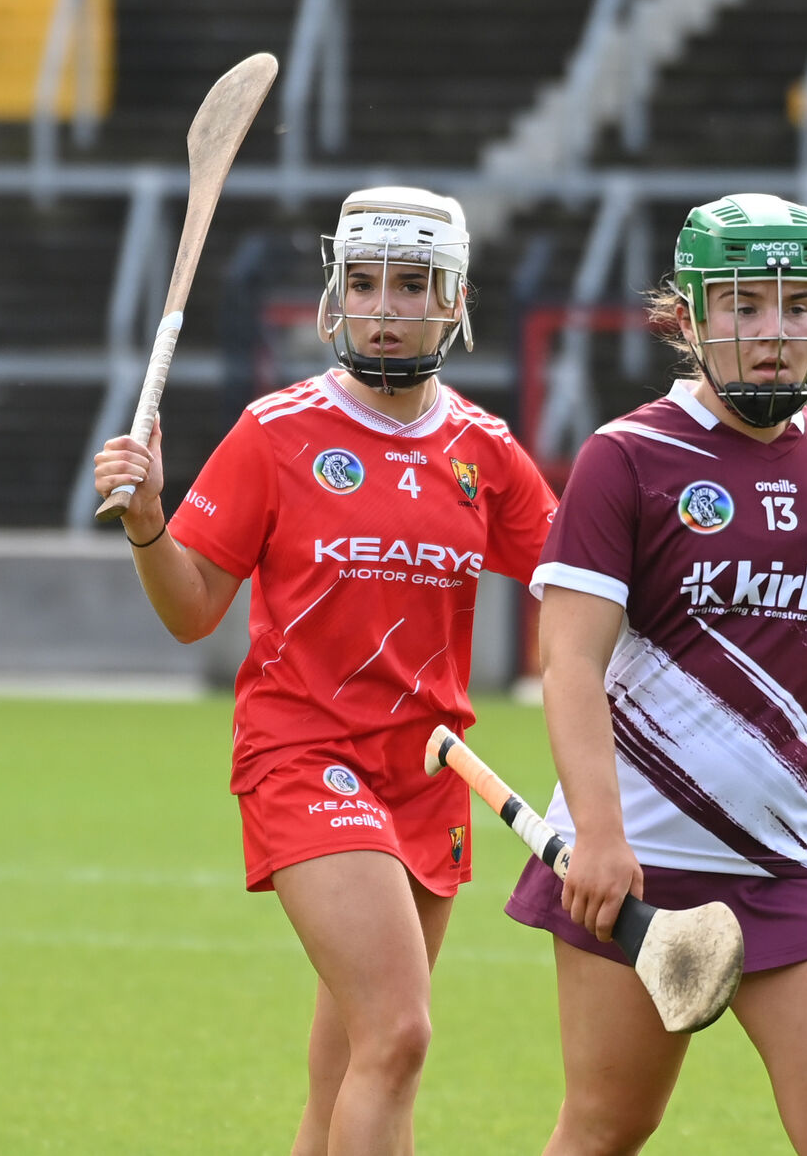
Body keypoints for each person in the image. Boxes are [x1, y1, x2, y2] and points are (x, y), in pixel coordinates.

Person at [94, 185, 557, 1156]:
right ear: (336, 291)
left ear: (455, 298)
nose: (386, 308)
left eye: (412, 285)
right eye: (366, 282)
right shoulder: (275, 433)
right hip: (303, 755)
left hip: (431, 773)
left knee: (347, 1067)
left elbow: (576, 592)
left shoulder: (487, 454)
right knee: (399, 1032)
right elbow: (192, 611)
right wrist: (148, 527)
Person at [504, 193, 807, 1155]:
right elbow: (570, 662)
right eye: (743, 305)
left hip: (799, 859)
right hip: (643, 857)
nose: (773, 333)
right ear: (689, 315)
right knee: (607, 1127)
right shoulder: (626, 457)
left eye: (796, 306)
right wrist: (597, 831)